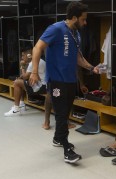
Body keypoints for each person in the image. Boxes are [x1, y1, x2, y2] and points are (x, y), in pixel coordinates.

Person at [29, 2, 98, 164]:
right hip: (57, 80)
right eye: (83, 19)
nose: (85, 22)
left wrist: (92, 67)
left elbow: (78, 58)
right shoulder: (56, 29)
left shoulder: (76, 34)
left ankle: (57, 139)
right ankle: (67, 149)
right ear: (74, 18)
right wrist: (34, 71)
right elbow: (37, 48)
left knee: (65, 112)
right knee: (62, 115)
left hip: (70, 80)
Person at [4, 48, 46, 116]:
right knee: (20, 81)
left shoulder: (33, 63)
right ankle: (21, 104)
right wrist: (20, 78)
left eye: (23, 55)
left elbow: (25, 76)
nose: (22, 58)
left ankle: (16, 109)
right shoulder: (39, 60)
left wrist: (22, 66)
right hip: (45, 85)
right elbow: (26, 76)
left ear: (29, 55)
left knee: (17, 83)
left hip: (43, 87)